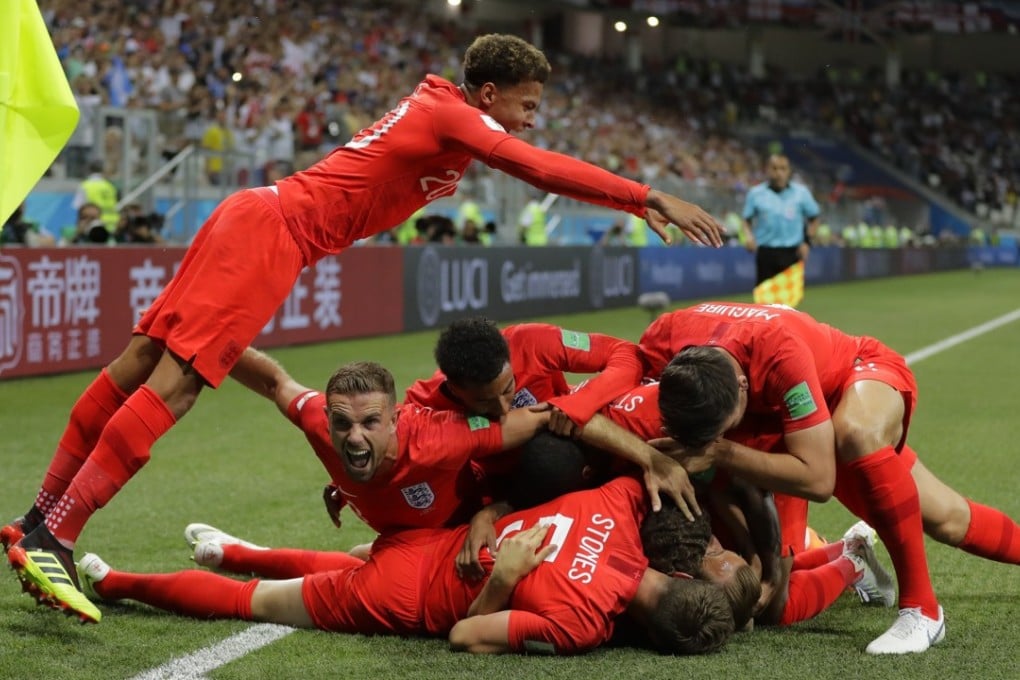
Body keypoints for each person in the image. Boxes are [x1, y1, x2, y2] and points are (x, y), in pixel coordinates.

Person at [3, 33, 725, 622]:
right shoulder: (455, 116)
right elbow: (531, 166)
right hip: (272, 236)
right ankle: (59, 534)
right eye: (526, 105)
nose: (531, 119)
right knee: (176, 384)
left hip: (259, 217)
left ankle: (38, 519)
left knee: (140, 360)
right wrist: (644, 196)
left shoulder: (444, 111)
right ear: (489, 95)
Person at [640, 302, 1011, 654]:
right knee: (947, 520)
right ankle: (851, 558)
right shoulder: (664, 337)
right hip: (784, 427)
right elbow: (613, 361)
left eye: (722, 431)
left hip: (850, 382)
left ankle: (923, 611)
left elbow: (819, 480)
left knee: (857, 432)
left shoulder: (779, 355)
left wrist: (723, 452)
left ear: (741, 386)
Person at [74, 477, 735, 656]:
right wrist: (504, 581)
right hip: (410, 596)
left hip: (428, 537)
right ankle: (114, 582)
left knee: (338, 565)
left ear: (677, 577)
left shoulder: (618, 507)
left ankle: (236, 552)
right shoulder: (582, 624)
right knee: (257, 605)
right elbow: (465, 636)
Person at [403, 317, 700, 519]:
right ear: (454, 388)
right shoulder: (424, 407)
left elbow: (625, 354)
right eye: (484, 403)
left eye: (509, 389)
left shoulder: (531, 341)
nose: (504, 410)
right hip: (503, 489)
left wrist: (580, 403)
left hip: (577, 444)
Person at [739, 154, 820, 285]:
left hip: (793, 253)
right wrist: (748, 237)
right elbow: (746, 220)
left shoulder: (801, 193)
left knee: (789, 302)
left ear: (789, 171)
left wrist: (807, 242)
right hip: (766, 253)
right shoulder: (756, 193)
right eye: (774, 168)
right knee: (765, 302)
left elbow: (814, 218)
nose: (779, 173)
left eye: (783, 168)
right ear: (767, 170)